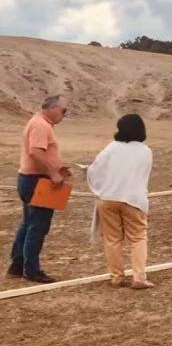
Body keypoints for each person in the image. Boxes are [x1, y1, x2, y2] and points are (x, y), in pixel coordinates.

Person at [7, 95, 71, 283]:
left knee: (29, 222)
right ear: (51, 108)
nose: (64, 115)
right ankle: (31, 269)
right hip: (37, 180)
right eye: (63, 111)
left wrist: (56, 168)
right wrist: (53, 174)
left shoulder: (39, 123)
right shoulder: (41, 125)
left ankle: (18, 264)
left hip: (31, 178)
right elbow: (35, 152)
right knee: (38, 225)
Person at [86, 114, 154, 288]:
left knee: (112, 239)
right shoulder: (145, 151)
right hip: (133, 199)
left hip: (108, 198)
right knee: (138, 238)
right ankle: (139, 277)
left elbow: (95, 169)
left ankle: (117, 276)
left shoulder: (110, 148)